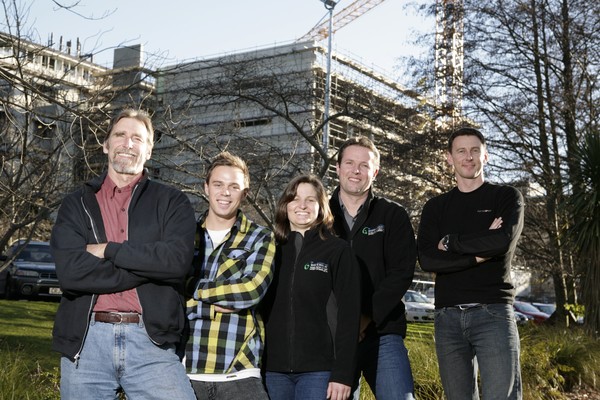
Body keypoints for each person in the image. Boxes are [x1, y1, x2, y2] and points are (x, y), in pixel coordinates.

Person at [50, 109, 197, 399]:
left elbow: (177, 262)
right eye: (120, 135)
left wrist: (109, 250)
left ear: (149, 149)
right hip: (86, 341)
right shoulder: (75, 204)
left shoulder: (172, 201)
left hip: (151, 341)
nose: (128, 144)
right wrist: (148, 268)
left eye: (137, 138)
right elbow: (70, 273)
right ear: (106, 144)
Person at [417, 127, 524, 400]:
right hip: (447, 318)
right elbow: (428, 259)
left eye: (475, 150)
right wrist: (478, 252)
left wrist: (452, 243)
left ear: (485, 156)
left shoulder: (506, 197)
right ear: (449, 158)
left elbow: (501, 241)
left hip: (494, 313)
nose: (468, 157)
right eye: (461, 151)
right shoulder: (435, 207)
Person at [329, 136, 417, 400]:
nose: (356, 171)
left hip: (382, 333)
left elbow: (401, 274)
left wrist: (364, 317)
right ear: (338, 168)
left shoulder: (393, 215)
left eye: (364, 165)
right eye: (350, 163)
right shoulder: (320, 215)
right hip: (332, 338)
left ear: (375, 172)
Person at [184, 151, 275, 400]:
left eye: (234, 186)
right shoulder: (184, 235)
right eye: (218, 184)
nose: (225, 192)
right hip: (186, 371)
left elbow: (250, 291)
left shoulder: (260, 237)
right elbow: (168, 290)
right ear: (206, 188)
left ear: (245, 193)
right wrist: (216, 305)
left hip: (240, 372)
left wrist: (191, 286)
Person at [262, 174, 361, 400]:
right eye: (295, 199)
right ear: (285, 205)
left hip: (320, 371)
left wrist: (343, 374)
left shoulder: (338, 251)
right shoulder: (268, 250)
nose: (302, 206)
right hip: (272, 371)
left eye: (310, 200)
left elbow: (349, 316)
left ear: (321, 207)